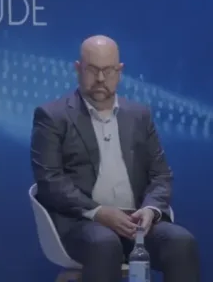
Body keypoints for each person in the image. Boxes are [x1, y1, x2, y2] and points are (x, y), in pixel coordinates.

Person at [30, 35, 200, 282]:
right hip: (82, 223)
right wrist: (98, 212)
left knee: (181, 243)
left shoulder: (139, 116)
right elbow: (50, 181)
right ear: (78, 69)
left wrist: (150, 210)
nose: (100, 79)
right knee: (105, 243)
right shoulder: (52, 116)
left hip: (136, 222)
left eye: (108, 71)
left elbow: (161, 175)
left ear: (119, 72)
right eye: (93, 70)